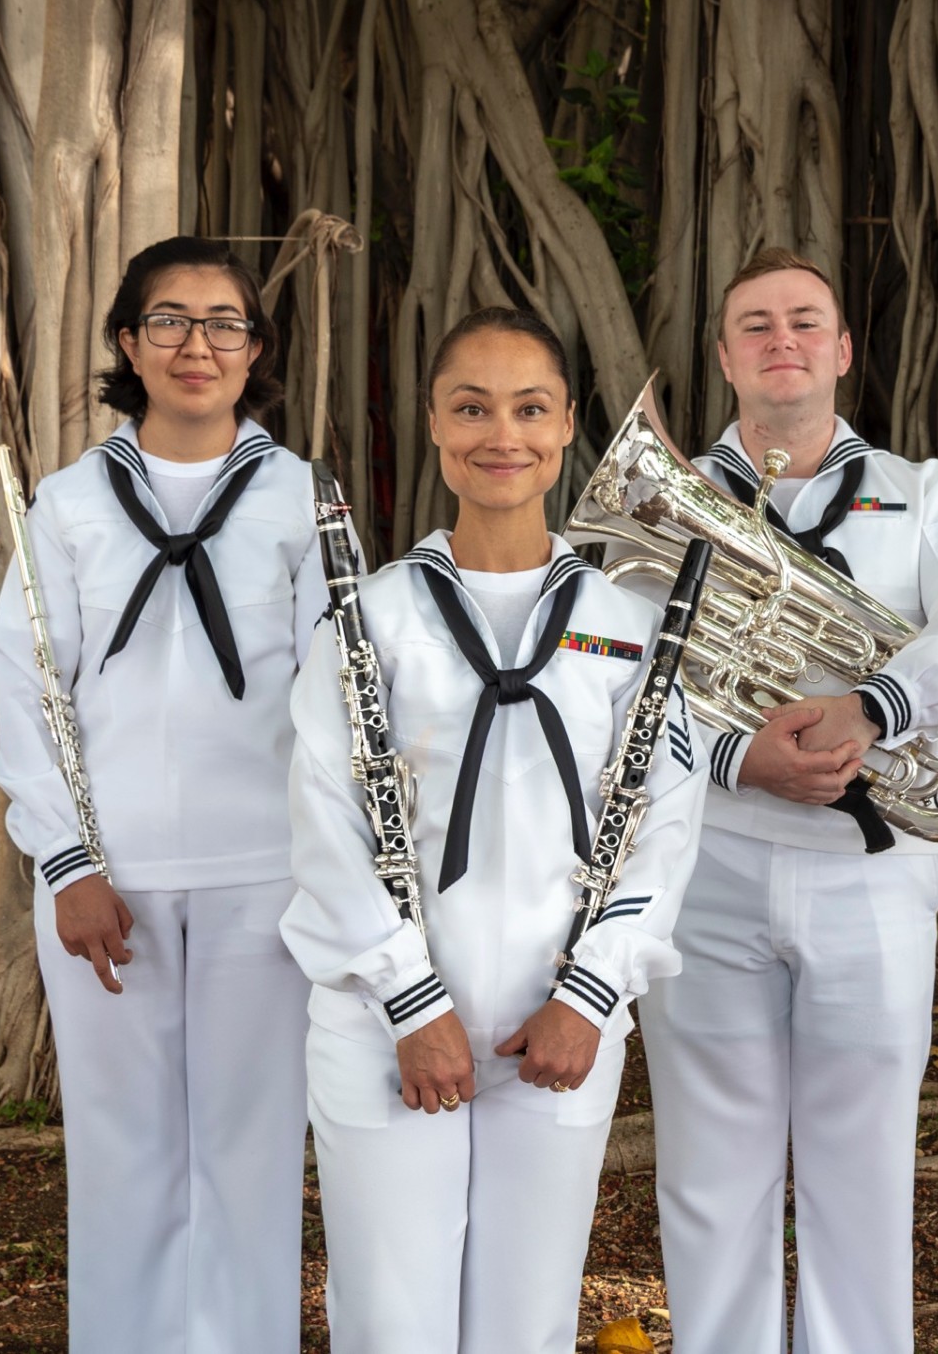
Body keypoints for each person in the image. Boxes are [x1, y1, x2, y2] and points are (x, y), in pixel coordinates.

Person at [279, 307, 707, 1354]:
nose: (500, 435)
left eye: (529, 409)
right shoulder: (368, 614)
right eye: (471, 408)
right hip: (385, 1023)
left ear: (568, 429)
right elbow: (327, 822)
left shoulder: (632, 623)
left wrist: (593, 994)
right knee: (392, 1320)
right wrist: (408, 1001)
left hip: (559, 1023)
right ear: (433, 423)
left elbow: (664, 826)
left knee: (529, 1319)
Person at [631, 248, 938, 1354]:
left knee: (863, 1160)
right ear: (725, 355)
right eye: (757, 324)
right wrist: (739, 757)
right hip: (709, 860)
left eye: (805, 322)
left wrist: (873, 705)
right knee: (708, 1163)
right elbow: (620, 680)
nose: (783, 339)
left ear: (842, 350)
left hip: (874, 868)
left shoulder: (925, 493)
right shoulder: (660, 498)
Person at [0, 236, 318, 1351]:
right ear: (129, 342)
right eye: (168, 320)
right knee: (123, 1150)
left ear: (255, 348)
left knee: (251, 1150)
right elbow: (27, 687)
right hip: (105, 880)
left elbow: (334, 689)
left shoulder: (300, 498)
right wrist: (69, 863)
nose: (196, 344)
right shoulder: (71, 501)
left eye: (224, 321)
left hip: (263, 876)